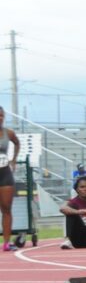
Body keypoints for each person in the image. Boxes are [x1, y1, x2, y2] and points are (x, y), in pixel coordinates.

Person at [0, 106, 21, 252]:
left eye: (2, 116)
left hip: (5, 174)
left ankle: (6, 243)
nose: (0, 118)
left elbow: (17, 143)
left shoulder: (9, 133)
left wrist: (13, 160)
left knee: (6, 209)